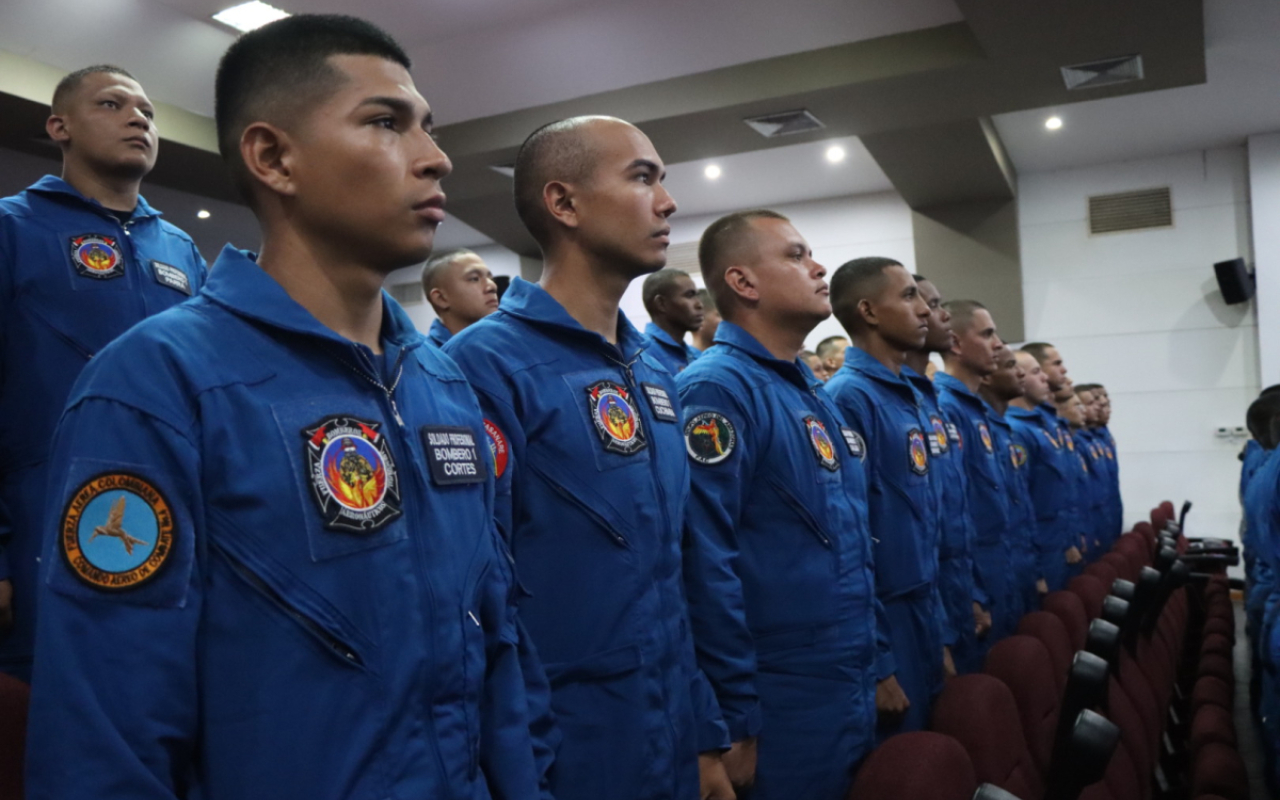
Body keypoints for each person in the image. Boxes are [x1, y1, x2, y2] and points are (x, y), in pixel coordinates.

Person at [27, 16, 551, 799]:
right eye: (385, 122)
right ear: (274, 157)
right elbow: (106, 737)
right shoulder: (154, 386)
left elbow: (501, 648)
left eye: (428, 128)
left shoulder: (442, 386)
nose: (436, 157)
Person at [444, 116, 732, 800]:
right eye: (642, 178)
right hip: (568, 752)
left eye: (663, 180)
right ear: (563, 203)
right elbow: (478, 607)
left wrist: (704, 730)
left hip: (666, 731)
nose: (667, 202)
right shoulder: (482, 366)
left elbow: (673, 573)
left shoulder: (652, 371)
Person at [0, 65, 208, 682]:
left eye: (147, 109)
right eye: (113, 103)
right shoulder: (11, 228)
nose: (138, 117)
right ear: (59, 126)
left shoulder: (181, 250)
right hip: (43, 521)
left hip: (181, 522)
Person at [678, 210, 886, 799]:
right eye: (796, 256)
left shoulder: (808, 390)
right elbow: (704, 561)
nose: (819, 267)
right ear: (744, 283)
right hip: (778, 688)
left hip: (841, 670)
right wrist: (734, 714)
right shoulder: (717, 389)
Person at [825, 257, 952, 736]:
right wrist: (878, 658)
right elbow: (852, 536)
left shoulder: (908, 395)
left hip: (923, 602)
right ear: (869, 312)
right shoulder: (849, 397)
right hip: (886, 615)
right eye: (908, 297)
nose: (924, 310)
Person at [904, 275, 989, 673]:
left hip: (957, 581)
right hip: (916, 604)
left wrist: (972, 591)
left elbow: (957, 508)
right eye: (923, 302)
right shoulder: (861, 396)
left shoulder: (931, 400)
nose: (936, 314)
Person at [935, 300, 1021, 643]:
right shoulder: (946, 406)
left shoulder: (975, 408)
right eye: (987, 334)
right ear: (956, 344)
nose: (998, 344)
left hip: (999, 567)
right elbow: (951, 509)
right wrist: (972, 590)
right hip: (973, 576)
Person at [978, 345, 1041, 617]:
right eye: (1010, 365)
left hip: (1017, 557)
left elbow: (1022, 499)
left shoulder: (1003, 428)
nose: (1021, 374)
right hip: (992, 564)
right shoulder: (977, 422)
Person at [1007, 351, 1075, 593]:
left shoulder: (1040, 425)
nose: (1045, 378)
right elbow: (1023, 503)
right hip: (1040, 549)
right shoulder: (1017, 430)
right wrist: (1036, 569)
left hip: (1054, 544)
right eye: (1036, 372)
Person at [420, 247, 499, 346]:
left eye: (491, 279)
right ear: (441, 298)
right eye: (475, 279)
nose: (492, 286)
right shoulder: (428, 359)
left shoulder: (505, 343)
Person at [641, 267, 704, 374]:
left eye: (696, 296)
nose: (700, 305)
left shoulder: (697, 356)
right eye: (689, 295)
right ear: (661, 304)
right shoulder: (641, 355)